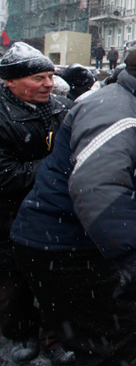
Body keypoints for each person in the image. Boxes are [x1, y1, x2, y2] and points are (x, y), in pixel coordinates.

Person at [10, 46, 136, 365]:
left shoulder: (129, 103)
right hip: (63, 243)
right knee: (112, 338)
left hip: (63, 237)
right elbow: (97, 183)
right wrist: (129, 254)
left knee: (88, 332)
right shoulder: (120, 108)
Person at [0, 42, 74, 365]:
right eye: (38, 78)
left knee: (55, 281)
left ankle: (53, 335)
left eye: (50, 76)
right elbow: (6, 176)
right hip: (10, 216)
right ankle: (19, 331)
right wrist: (57, 166)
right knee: (13, 284)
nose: (48, 84)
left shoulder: (61, 107)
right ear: (11, 82)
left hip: (55, 212)